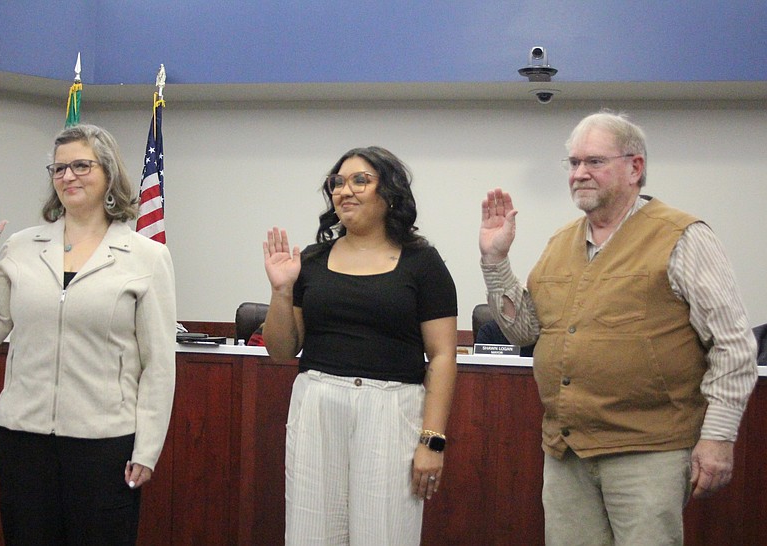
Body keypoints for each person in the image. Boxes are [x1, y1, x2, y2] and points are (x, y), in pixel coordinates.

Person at [478, 111, 758, 545]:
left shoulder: (682, 236)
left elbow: (733, 347)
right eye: (573, 163)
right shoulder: (559, 243)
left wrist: (718, 438)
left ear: (635, 167)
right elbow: (526, 332)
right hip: (566, 452)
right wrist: (496, 262)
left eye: (594, 161)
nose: (580, 174)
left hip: (650, 453)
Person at [0, 124, 177, 545]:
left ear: (108, 173)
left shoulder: (147, 256)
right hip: (24, 438)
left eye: (80, 165)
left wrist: (147, 449)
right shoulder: (21, 247)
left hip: (105, 444)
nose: (68, 177)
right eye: (58, 169)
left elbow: (159, 365)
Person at [262, 146, 458, 546]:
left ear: (389, 194)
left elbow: (442, 357)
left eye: (359, 181)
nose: (344, 191)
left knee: (384, 535)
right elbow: (281, 350)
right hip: (317, 403)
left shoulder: (422, 262)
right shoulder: (312, 261)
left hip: (391, 409)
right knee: (311, 534)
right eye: (337, 182)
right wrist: (281, 291)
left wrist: (432, 441)